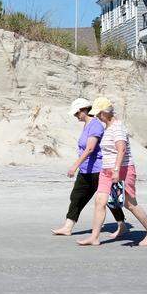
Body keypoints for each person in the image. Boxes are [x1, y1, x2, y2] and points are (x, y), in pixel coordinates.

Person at [77, 97, 147, 247]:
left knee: (130, 204)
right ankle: (94, 237)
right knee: (99, 202)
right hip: (106, 170)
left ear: (105, 113)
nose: (96, 117)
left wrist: (116, 171)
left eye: (98, 114)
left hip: (122, 169)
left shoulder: (117, 127)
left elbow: (121, 150)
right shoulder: (107, 128)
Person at [52, 97, 127, 237]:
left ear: (84, 110)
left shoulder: (95, 125)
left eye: (76, 113)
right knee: (76, 196)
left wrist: (74, 166)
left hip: (98, 169)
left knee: (109, 199)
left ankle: (121, 224)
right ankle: (68, 227)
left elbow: (90, 148)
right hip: (86, 169)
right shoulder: (87, 125)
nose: (75, 116)